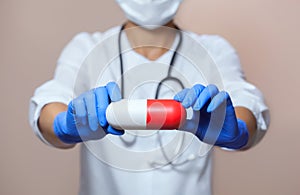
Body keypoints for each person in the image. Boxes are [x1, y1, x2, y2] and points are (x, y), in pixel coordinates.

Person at [29, 0, 270, 194]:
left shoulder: (214, 50)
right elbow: (51, 101)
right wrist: (62, 126)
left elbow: (245, 103)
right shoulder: (86, 48)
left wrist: (237, 132)